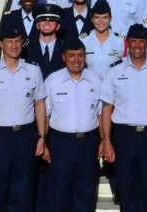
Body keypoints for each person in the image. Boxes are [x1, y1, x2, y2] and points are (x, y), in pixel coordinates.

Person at [100, 23, 147, 212]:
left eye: (142, 41)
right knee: (125, 186)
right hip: (123, 136)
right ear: (127, 42)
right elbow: (107, 108)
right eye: (134, 41)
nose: (138, 46)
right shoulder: (115, 70)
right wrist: (106, 141)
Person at [0, 25, 48, 212]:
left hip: (25, 136)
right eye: (9, 42)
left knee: (24, 191)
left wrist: (41, 137)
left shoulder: (33, 70)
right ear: (1, 44)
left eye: (17, 41)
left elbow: (40, 104)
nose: (14, 46)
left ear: (22, 43)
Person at [43, 39, 103, 212]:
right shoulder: (52, 81)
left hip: (88, 143)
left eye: (80, 55)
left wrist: (103, 141)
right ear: (64, 57)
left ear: (85, 57)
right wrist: (43, 142)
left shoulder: (96, 80)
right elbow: (46, 114)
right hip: (61, 143)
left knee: (85, 190)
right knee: (59, 191)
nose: (76, 60)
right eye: (71, 55)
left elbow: (101, 114)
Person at [80, 0, 125, 77]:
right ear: (92, 19)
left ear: (110, 19)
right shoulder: (83, 40)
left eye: (104, 17)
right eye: (97, 17)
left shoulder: (121, 41)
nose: (101, 21)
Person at [24, 3, 69, 78]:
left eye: (51, 20)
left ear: (58, 26)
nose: (47, 23)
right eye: (43, 20)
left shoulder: (66, 48)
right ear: (37, 25)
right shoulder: (26, 49)